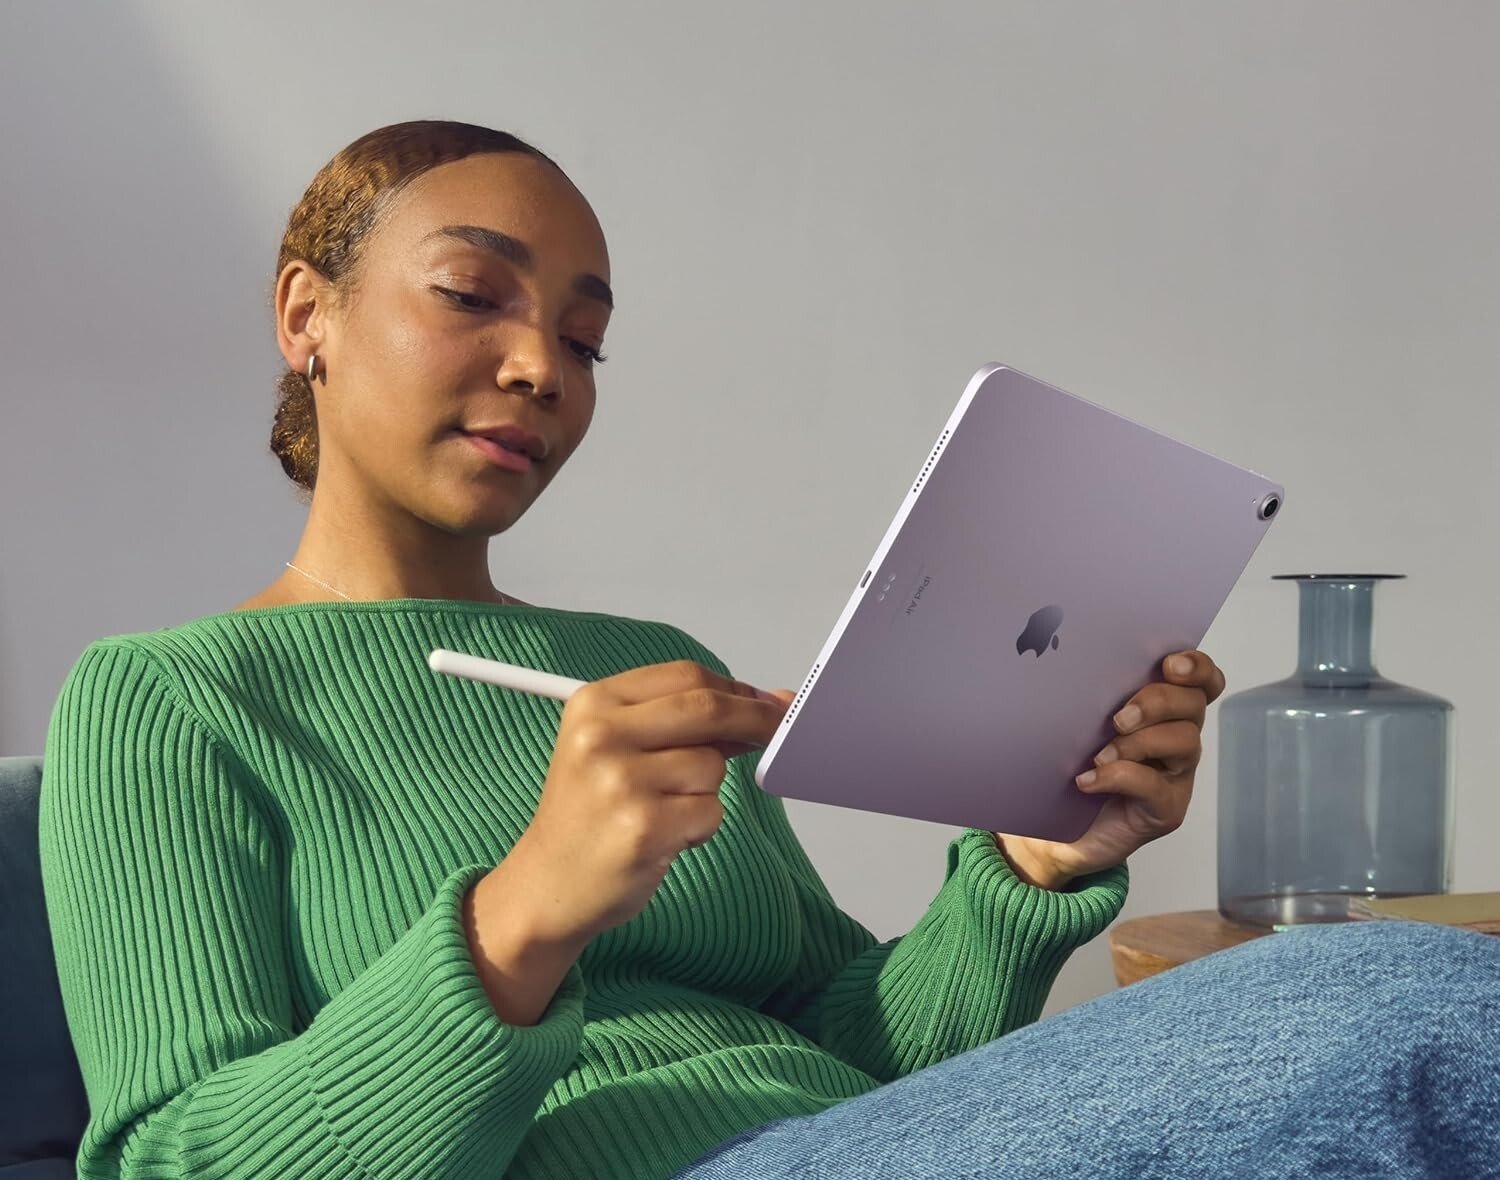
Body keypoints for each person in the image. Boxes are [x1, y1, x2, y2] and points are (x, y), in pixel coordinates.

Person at [37, 120, 1499, 1180]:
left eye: (587, 338)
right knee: (1391, 1010)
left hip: (846, 1139)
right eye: (473, 294)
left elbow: (856, 1042)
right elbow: (176, 1158)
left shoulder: (639, 659)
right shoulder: (167, 701)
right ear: (310, 315)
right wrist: (522, 919)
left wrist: (1024, 871)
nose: (543, 365)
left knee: (1384, 988)